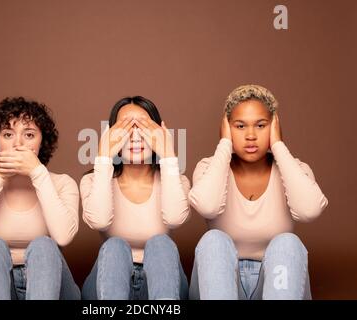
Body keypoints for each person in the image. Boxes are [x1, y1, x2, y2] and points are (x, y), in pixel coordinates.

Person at [189, 85, 328, 300]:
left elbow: (309, 211)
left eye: (261, 125)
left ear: (274, 127)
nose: (251, 135)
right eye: (240, 126)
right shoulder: (209, 167)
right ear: (226, 127)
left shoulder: (295, 169)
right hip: (222, 284)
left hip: (274, 284)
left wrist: (279, 146)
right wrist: (225, 144)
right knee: (213, 240)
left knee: (287, 242)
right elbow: (208, 206)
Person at [0, 97, 80, 300]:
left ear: (42, 142)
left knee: (44, 245)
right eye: (8, 134)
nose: (18, 143)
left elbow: (63, 237)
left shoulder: (62, 183)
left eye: (29, 135)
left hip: (51, 287)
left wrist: (38, 173)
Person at [80, 96, 190, 300]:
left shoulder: (177, 180)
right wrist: (104, 155)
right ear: (111, 135)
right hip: (108, 283)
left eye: (144, 127)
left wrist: (168, 155)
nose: (135, 137)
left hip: (161, 284)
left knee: (161, 244)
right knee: (114, 246)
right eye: (125, 128)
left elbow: (175, 218)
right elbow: (99, 220)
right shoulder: (93, 180)